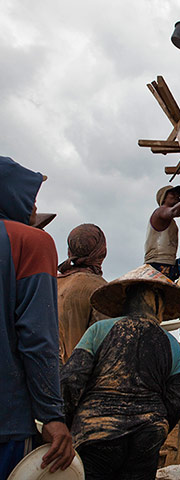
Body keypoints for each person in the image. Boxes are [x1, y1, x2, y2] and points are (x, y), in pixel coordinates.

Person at [61, 264, 180, 479]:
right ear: (158, 305)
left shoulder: (98, 330)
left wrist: (65, 425)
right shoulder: (170, 343)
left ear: (126, 302)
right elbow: (177, 400)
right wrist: (156, 427)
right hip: (147, 434)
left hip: (96, 431)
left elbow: (71, 380)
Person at [0, 156, 75, 476]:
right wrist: (52, 416)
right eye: (30, 193)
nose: (34, 204)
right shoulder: (30, 242)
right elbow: (38, 337)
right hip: (8, 421)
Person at [57, 223, 108, 362]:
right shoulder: (102, 290)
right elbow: (105, 347)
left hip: (46, 376)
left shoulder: (50, 283)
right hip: (80, 380)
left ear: (69, 251)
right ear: (102, 252)